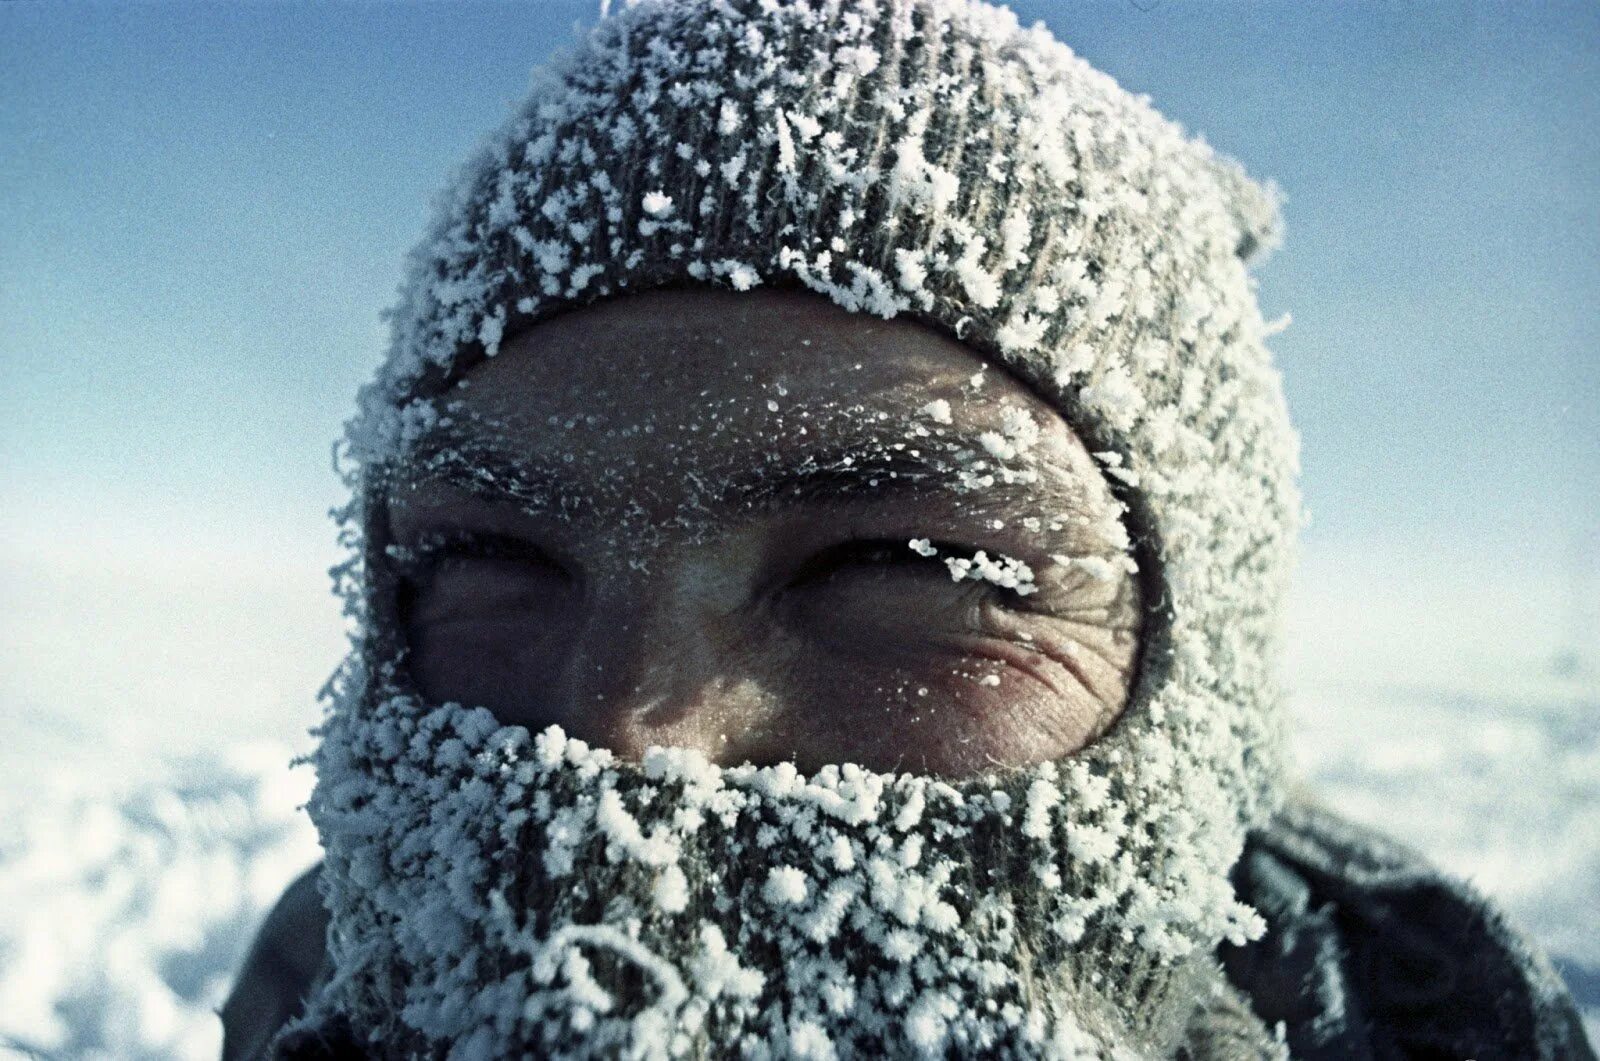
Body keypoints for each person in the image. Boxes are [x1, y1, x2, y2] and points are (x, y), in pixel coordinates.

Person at [222, 1, 1594, 1057]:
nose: (622, 737)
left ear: (1194, 684)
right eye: (490, 559)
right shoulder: (315, 968)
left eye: (906, 565)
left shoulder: (1451, 1017)